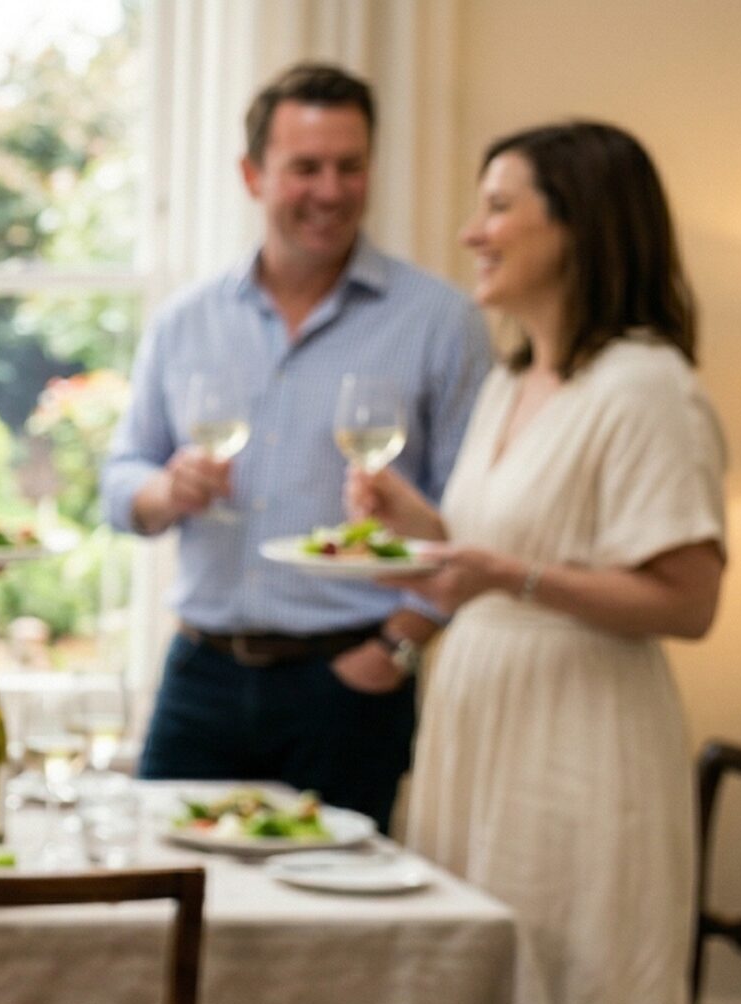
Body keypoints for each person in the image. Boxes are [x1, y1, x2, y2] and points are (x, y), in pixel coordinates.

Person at [355, 123, 725, 1004]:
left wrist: (502, 572)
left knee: (583, 987)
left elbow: (688, 599)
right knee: (482, 982)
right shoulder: (513, 380)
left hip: (579, 734)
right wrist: (426, 532)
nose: (473, 234)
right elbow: (499, 553)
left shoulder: (646, 386)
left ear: (578, 227)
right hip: (481, 718)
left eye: (498, 207)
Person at [101, 63, 490, 828]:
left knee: (333, 931)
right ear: (253, 175)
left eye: (350, 166)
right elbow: (120, 482)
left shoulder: (442, 322)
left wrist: (396, 648)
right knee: (156, 899)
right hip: (201, 672)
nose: (331, 189)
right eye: (305, 167)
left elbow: (470, 521)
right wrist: (164, 490)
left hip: (351, 680)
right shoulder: (187, 320)